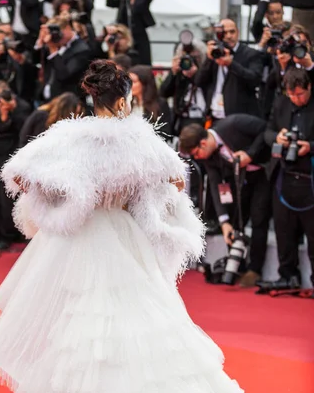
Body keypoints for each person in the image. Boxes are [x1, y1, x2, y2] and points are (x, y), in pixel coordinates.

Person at [0, 60, 314, 393]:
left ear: (91, 98)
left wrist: (71, 199)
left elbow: (19, 174)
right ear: (123, 98)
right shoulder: (141, 142)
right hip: (122, 243)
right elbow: (174, 185)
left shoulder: (68, 138)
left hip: (80, 245)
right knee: (133, 332)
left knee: (86, 332)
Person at [179, 115, 272, 287]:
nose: (198, 158)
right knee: (235, 220)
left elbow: (266, 129)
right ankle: (237, 267)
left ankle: (255, 270)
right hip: (238, 182)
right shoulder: (209, 158)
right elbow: (215, 185)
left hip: (262, 173)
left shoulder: (234, 124)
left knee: (259, 218)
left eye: (196, 153)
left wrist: (250, 154)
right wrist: (224, 221)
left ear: (203, 143)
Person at [261, 67, 314, 291]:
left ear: (309, 87)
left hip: (310, 178)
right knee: (284, 229)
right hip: (284, 176)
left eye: (300, 94)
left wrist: (310, 146)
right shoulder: (281, 103)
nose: (295, 99)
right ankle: (287, 275)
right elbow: (268, 132)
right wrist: (278, 137)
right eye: (292, 95)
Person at [0, 80, 30, 249]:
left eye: (0, 96)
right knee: (1, 202)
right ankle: (5, 236)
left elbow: (25, 127)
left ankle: (25, 233)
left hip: (16, 156)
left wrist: (12, 111)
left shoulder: (21, 106)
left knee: (22, 198)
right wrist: (2, 117)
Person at [195, 19, 263, 122]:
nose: (229, 36)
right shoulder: (215, 53)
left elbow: (254, 80)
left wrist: (231, 64)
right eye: (225, 33)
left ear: (238, 32)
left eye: (232, 32)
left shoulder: (250, 54)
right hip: (214, 115)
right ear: (219, 35)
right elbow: (199, 81)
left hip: (239, 116)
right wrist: (209, 59)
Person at [37, 15, 91, 101]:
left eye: (59, 34)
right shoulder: (54, 43)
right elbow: (36, 61)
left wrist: (53, 49)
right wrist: (40, 41)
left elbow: (64, 76)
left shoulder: (81, 50)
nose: (57, 37)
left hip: (68, 103)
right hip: (47, 98)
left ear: (68, 28)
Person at [106, 0, 156, 65]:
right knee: (124, 60)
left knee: (144, 60)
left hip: (140, 35)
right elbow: (109, 2)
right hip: (125, 36)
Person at [129, 65, 171, 135]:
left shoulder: (160, 104)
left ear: (144, 83)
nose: (129, 85)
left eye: (133, 81)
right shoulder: (126, 103)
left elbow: (165, 132)